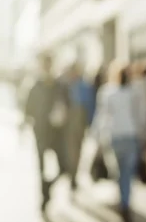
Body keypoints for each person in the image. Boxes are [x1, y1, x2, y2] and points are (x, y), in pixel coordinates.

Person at [92, 64, 145, 222]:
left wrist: (97, 139)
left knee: (120, 174)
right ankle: (125, 203)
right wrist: (143, 137)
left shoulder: (107, 92)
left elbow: (101, 117)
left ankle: (123, 204)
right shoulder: (133, 92)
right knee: (126, 175)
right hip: (128, 136)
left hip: (115, 137)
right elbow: (141, 117)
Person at [25, 54, 70, 212]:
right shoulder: (35, 85)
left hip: (56, 132)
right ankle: (43, 196)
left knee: (64, 167)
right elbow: (28, 109)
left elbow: (67, 105)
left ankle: (48, 186)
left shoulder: (59, 85)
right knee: (41, 167)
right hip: (41, 132)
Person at [66, 63, 95, 191]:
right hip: (68, 123)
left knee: (77, 150)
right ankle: (71, 174)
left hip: (80, 122)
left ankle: (74, 175)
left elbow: (90, 105)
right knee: (69, 151)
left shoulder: (85, 85)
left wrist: (89, 121)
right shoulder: (66, 85)